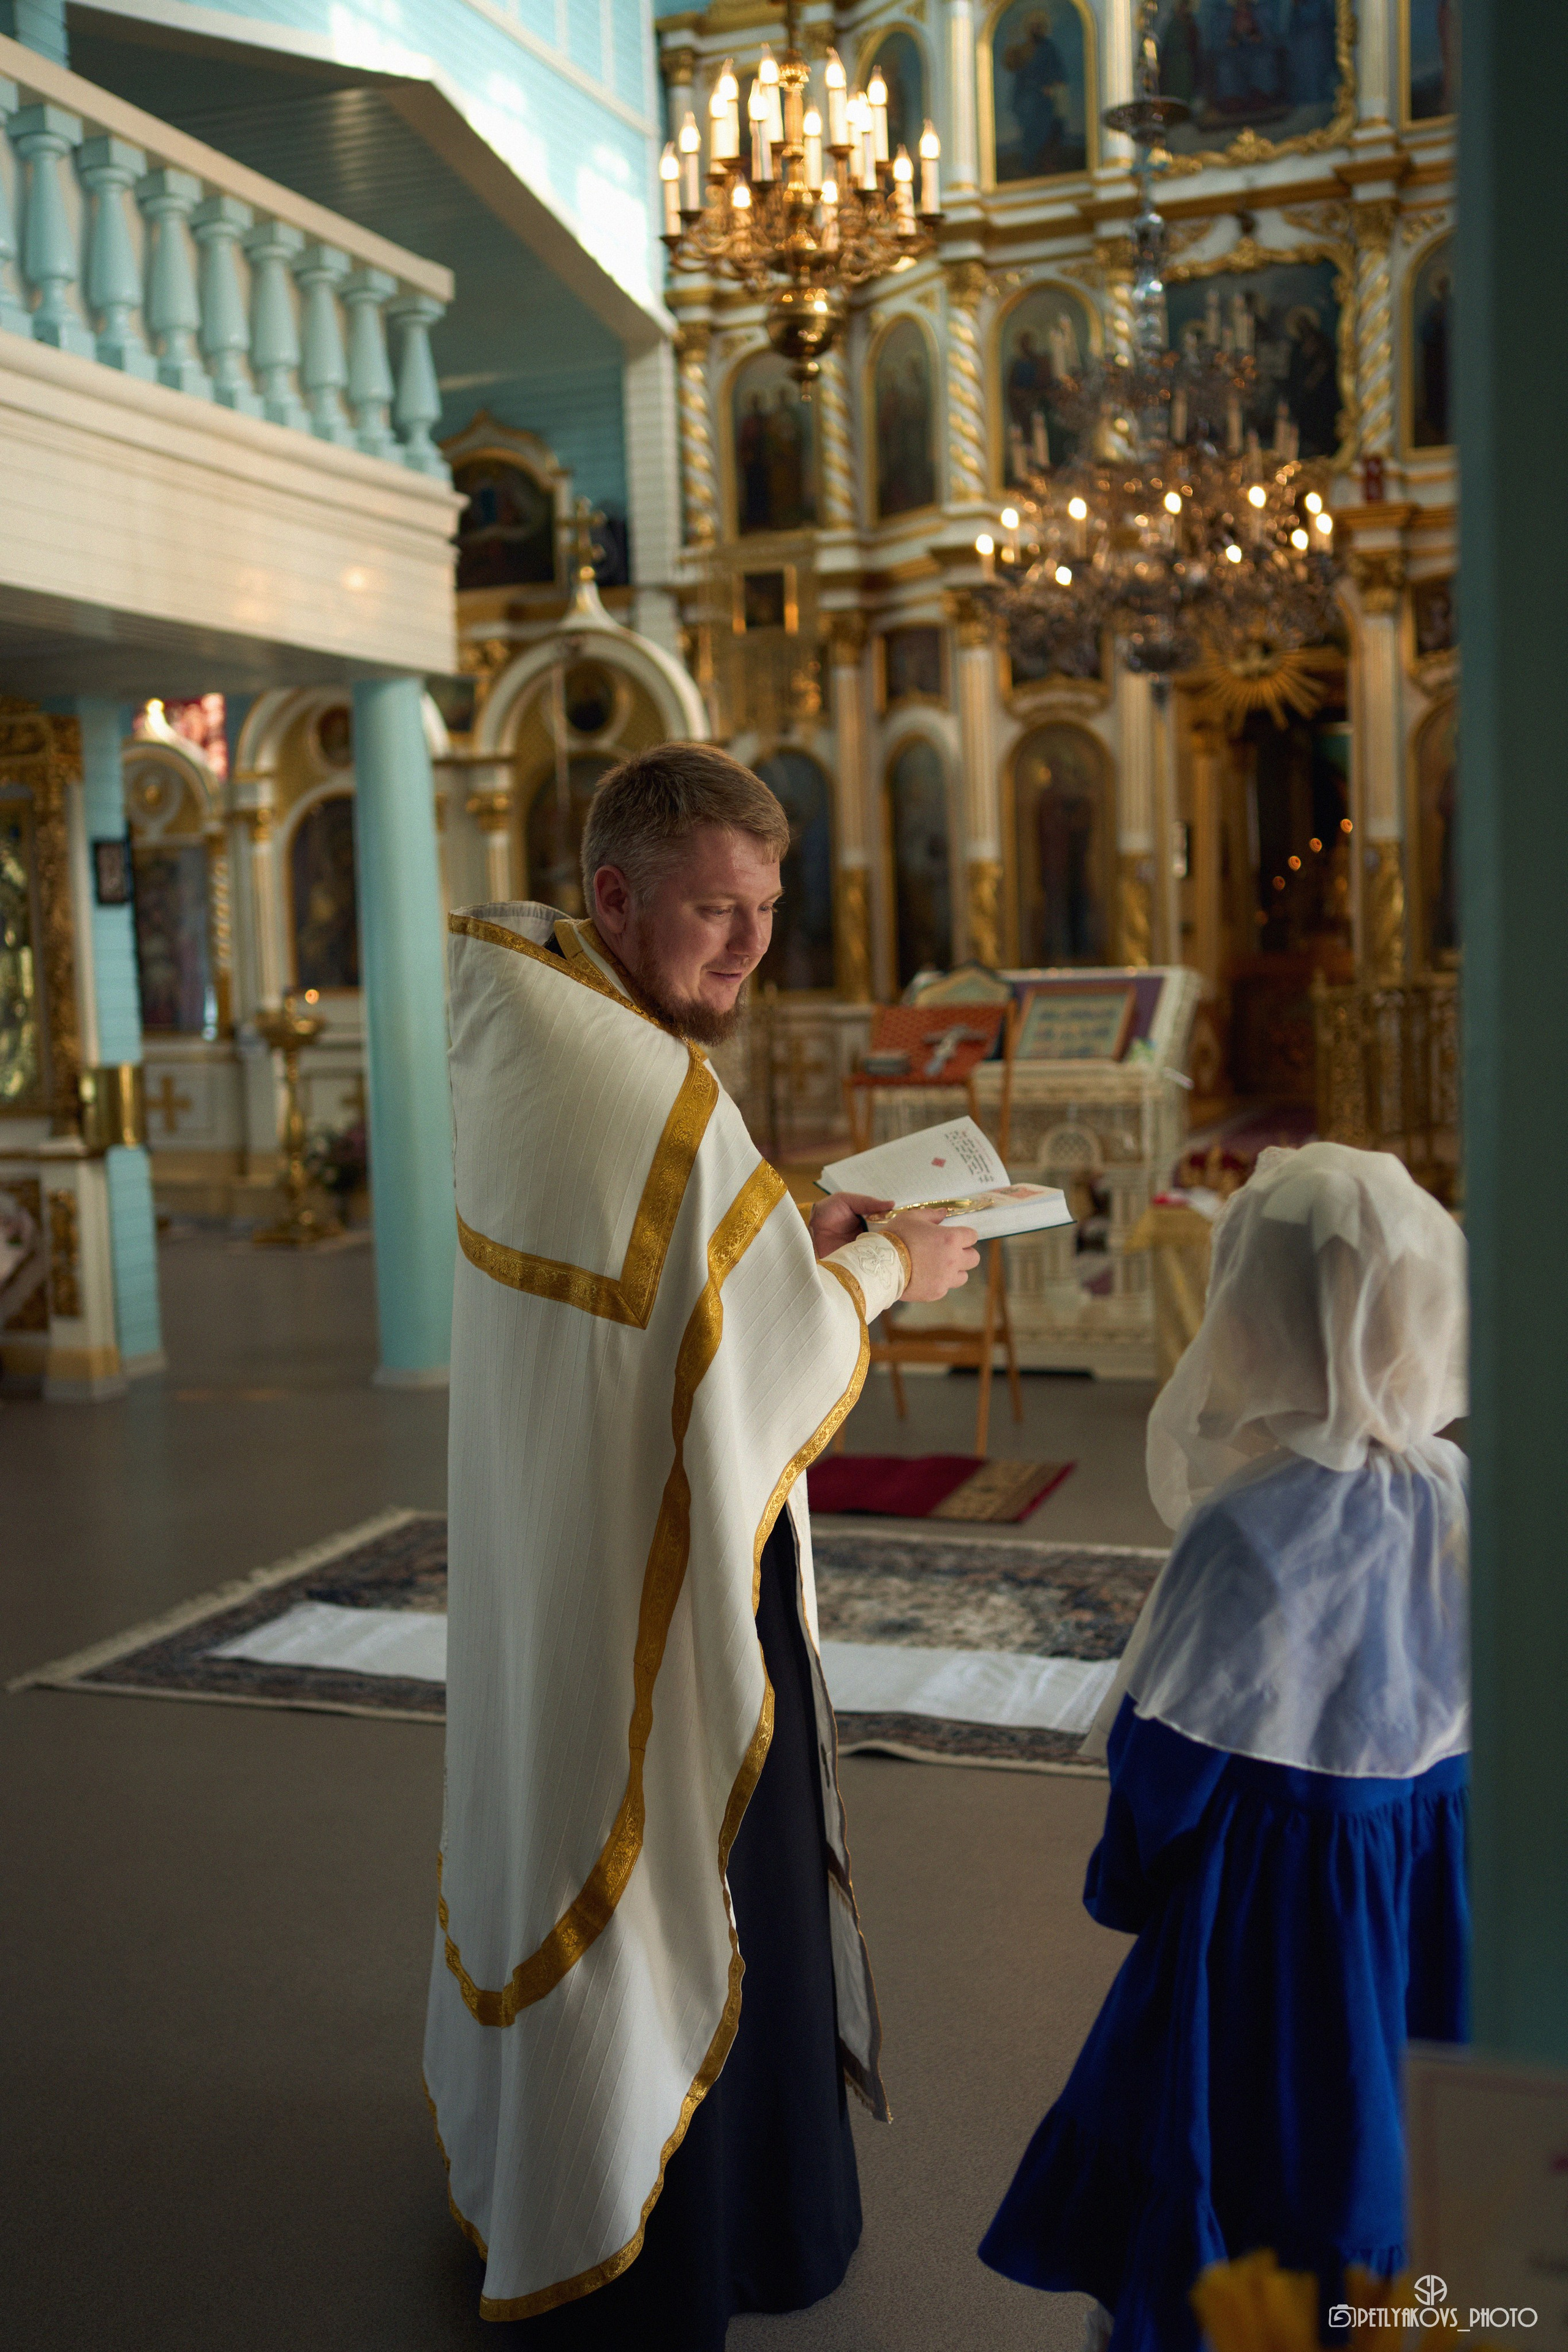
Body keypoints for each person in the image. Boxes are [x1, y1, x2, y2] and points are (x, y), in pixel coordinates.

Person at [425, 744, 979, 2346]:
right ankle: (694, 2227)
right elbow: (742, 1346)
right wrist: (893, 1275)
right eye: (715, 913)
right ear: (614, 897)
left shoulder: (547, 1018)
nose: (750, 947)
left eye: (766, 912)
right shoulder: (637, 1083)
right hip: (661, 1600)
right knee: (696, 1850)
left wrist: (779, 1233)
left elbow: (673, 1287)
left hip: (584, 1536)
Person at [979, 1142, 1470, 2351]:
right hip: (1437, 1874)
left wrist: (1131, 1880)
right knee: (1411, 2117)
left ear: (1251, 1324)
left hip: (1279, 1906)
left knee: (1265, 2133)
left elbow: (1165, 1753)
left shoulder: (1243, 1532)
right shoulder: (1466, 1495)